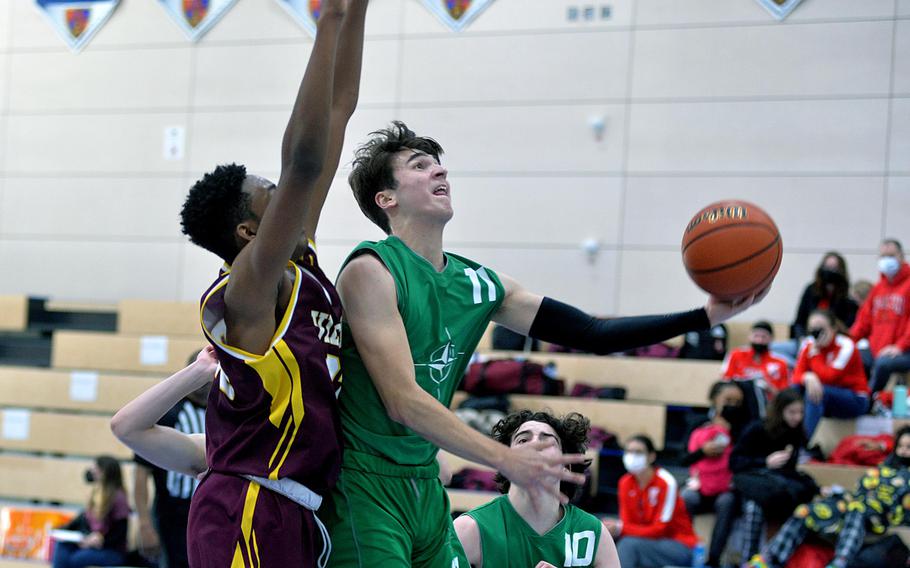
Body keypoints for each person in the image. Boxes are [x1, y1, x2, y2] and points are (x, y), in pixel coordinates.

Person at [323, 121, 765, 567]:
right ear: (387, 199)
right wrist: (504, 458)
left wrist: (704, 316)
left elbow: (591, 333)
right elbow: (403, 402)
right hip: (366, 483)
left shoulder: (480, 284)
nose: (440, 173)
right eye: (421, 166)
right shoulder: (370, 270)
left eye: (440, 165)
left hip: (423, 486)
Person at [164, 3, 365, 566]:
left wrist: (357, 11)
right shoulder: (246, 292)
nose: (287, 193)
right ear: (249, 231)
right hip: (245, 504)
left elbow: (338, 110)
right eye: (270, 193)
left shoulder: (302, 264)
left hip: (295, 507)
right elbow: (303, 162)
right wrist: (327, 20)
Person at [453, 410, 619, 568]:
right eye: (523, 440)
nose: (534, 445)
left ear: (565, 467)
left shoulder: (595, 534)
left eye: (546, 441)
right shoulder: (469, 529)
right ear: (504, 462)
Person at [747, 426, 910, 568]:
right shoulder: (883, 468)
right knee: (805, 511)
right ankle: (769, 559)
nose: (903, 451)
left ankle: (839, 563)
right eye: (901, 446)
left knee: (856, 510)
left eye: (908, 447)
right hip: (854, 503)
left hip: (880, 518)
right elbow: (860, 490)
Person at [131, 352, 209, 568]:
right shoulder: (169, 413)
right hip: (171, 515)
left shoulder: (222, 411)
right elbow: (140, 474)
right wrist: (145, 524)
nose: (206, 384)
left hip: (210, 512)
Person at [730, 389, 815, 560]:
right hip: (754, 484)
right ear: (780, 410)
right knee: (753, 507)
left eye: (800, 412)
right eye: (792, 412)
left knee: (804, 508)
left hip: (779, 487)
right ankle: (748, 559)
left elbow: (792, 470)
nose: (797, 417)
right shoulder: (757, 428)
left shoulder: (796, 432)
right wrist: (765, 462)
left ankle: (775, 558)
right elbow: (735, 462)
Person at [602, 435, 698, 568]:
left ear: (651, 456)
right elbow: (628, 524)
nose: (632, 456)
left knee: (628, 545)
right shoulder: (624, 483)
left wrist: (620, 528)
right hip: (643, 542)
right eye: (629, 451)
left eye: (638, 452)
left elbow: (660, 529)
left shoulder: (666, 482)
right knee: (606, 539)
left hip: (678, 545)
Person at [681, 381, 747, 567]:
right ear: (714, 400)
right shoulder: (699, 424)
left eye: (737, 402)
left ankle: (713, 560)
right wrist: (703, 451)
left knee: (727, 501)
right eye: (728, 400)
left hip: (726, 489)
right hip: (700, 486)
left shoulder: (742, 429)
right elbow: (682, 459)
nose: (732, 406)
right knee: (687, 497)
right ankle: (684, 551)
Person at [792, 309, 869, 440]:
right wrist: (807, 376)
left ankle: (803, 443)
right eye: (813, 329)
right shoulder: (808, 344)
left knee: (816, 392)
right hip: (827, 396)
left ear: (833, 328)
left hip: (855, 399)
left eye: (821, 329)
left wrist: (816, 354)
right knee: (792, 391)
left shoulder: (846, 345)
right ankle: (783, 440)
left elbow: (830, 377)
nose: (817, 333)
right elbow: (796, 376)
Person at [773, 252, 858, 364]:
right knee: (772, 350)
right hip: (806, 340)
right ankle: (796, 366)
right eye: (827, 267)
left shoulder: (847, 299)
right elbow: (799, 322)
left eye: (834, 268)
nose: (830, 271)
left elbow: (846, 329)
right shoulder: (811, 290)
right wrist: (802, 340)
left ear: (841, 271)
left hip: (831, 345)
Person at [850, 239, 910, 394]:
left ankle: (869, 399)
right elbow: (863, 321)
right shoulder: (878, 288)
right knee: (853, 355)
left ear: (901, 257)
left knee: (883, 364)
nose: (887, 260)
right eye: (883, 256)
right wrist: (847, 341)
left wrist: (900, 346)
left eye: (891, 255)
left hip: (903, 350)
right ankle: (855, 396)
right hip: (878, 348)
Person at [52, 456, 130, 568]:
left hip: (111, 550)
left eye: (96, 468)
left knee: (77, 559)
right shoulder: (96, 493)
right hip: (91, 543)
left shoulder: (118, 497)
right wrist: (61, 530)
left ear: (104, 471)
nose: (92, 470)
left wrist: (100, 541)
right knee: (62, 547)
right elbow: (83, 519)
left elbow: (120, 531)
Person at [721, 320, 791, 419]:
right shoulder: (736, 355)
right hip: (737, 403)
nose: (759, 340)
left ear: (771, 339)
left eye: (763, 337)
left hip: (768, 406)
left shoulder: (780, 363)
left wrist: (768, 387)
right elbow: (725, 382)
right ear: (749, 336)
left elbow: (785, 396)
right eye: (756, 336)